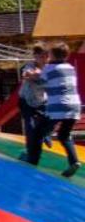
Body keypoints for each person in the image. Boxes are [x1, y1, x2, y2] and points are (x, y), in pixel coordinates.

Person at [41, 43, 79, 177]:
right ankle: (74, 161)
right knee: (64, 135)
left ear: (51, 55)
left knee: (43, 127)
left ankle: (45, 138)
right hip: (74, 106)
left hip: (58, 105)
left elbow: (41, 82)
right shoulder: (71, 68)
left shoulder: (48, 68)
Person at [20, 43, 51, 166]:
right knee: (30, 126)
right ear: (35, 57)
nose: (44, 60)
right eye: (41, 57)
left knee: (44, 122)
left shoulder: (49, 69)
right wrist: (33, 74)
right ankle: (29, 152)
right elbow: (26, 74)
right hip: (26, 101)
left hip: (42, 102)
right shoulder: (30, 66)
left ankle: (45, 134)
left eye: (46, 57)